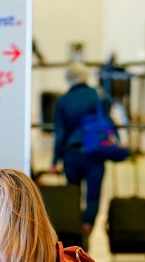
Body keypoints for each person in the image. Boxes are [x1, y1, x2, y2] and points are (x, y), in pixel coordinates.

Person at [50, 63, 110, 238]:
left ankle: (74, 228)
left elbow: (60, 133)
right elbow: (106, 121)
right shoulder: (98, 95)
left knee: (73, 193)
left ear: (68, 80)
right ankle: (87, 225)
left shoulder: (63, 101)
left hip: (72, 154)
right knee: (93, 194)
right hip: (95, 153)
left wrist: (54, 161)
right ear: (85, 77)